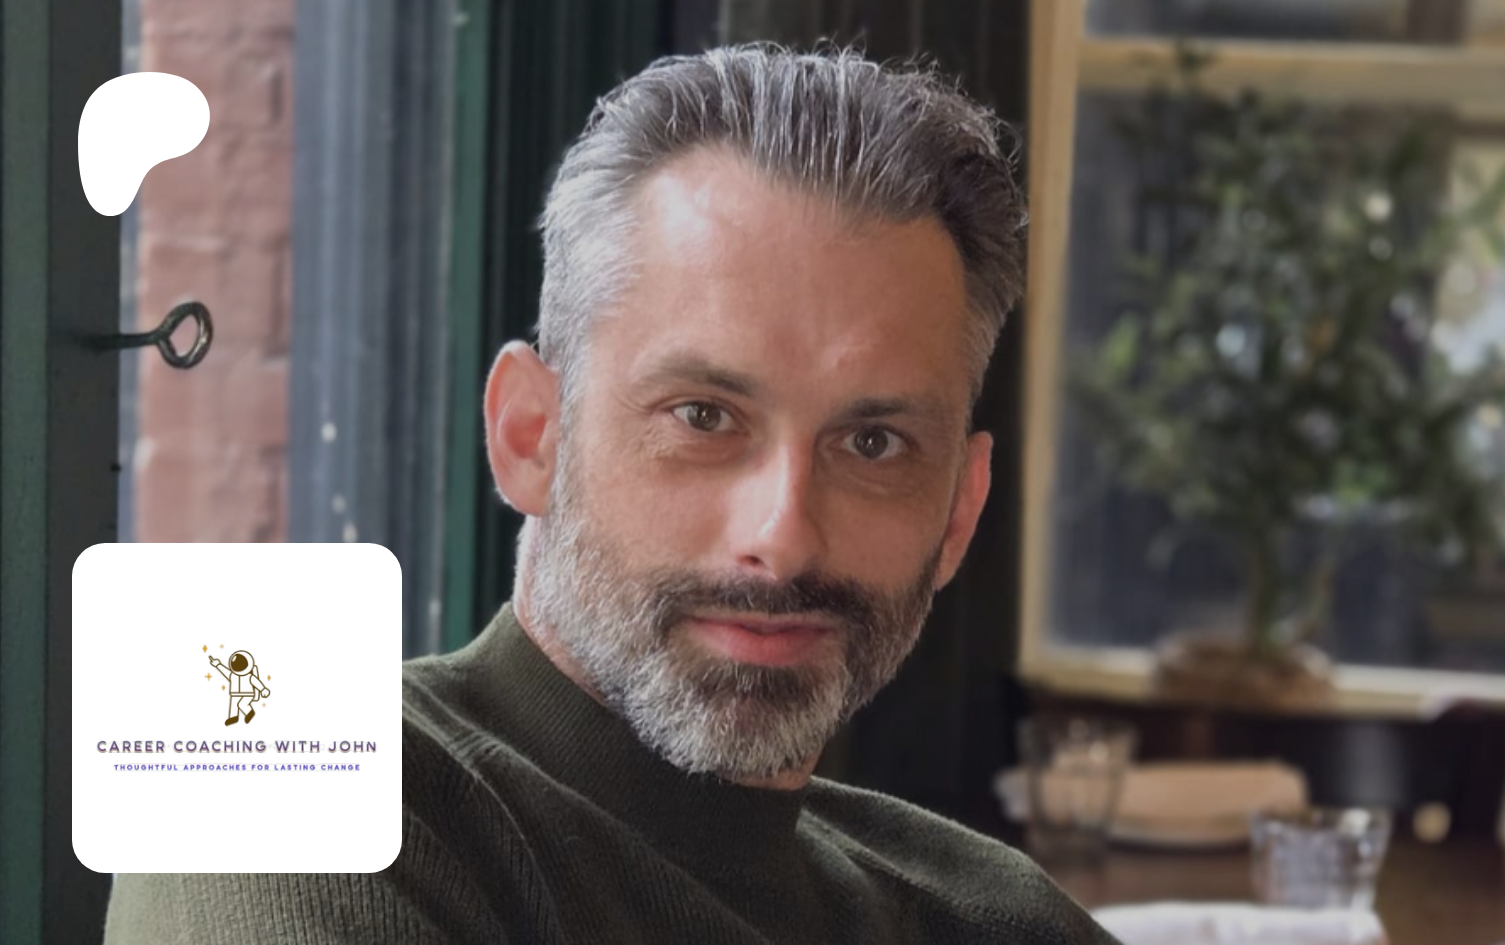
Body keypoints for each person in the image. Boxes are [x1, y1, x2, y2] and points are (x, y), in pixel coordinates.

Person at [104, 43, 1121, 944]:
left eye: (872, 442)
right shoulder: (270, 786)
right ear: (530, 436)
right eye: (704, 416)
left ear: (959, 511)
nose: (783, 535)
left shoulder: (1001, 914)